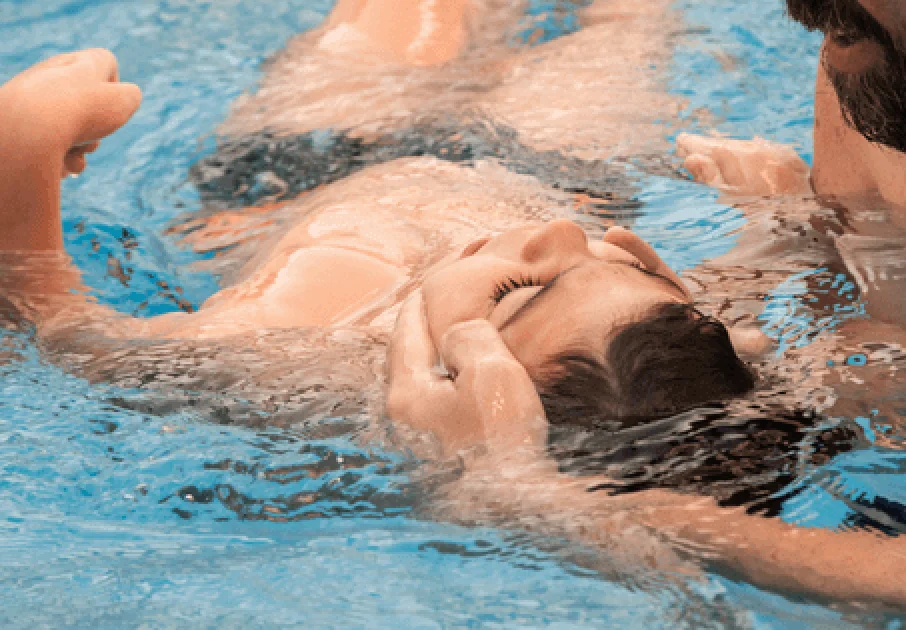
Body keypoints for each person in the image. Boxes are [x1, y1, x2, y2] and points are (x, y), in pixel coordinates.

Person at [427, 0, 906, 625]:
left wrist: (554, 499)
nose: (799, 11)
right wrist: (746, 259)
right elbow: (876, 335)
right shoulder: (891, 53)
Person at [0, 49, 756, 467]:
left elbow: (65, 331)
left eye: (520, 292)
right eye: (624, 267)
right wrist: (773, 217)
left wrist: (23, 141)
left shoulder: (301, 361)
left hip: (302, 168)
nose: (559, 235)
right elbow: (759, 289)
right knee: (630, 25)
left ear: (449, 383)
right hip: (560, 166)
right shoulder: (661, 334)